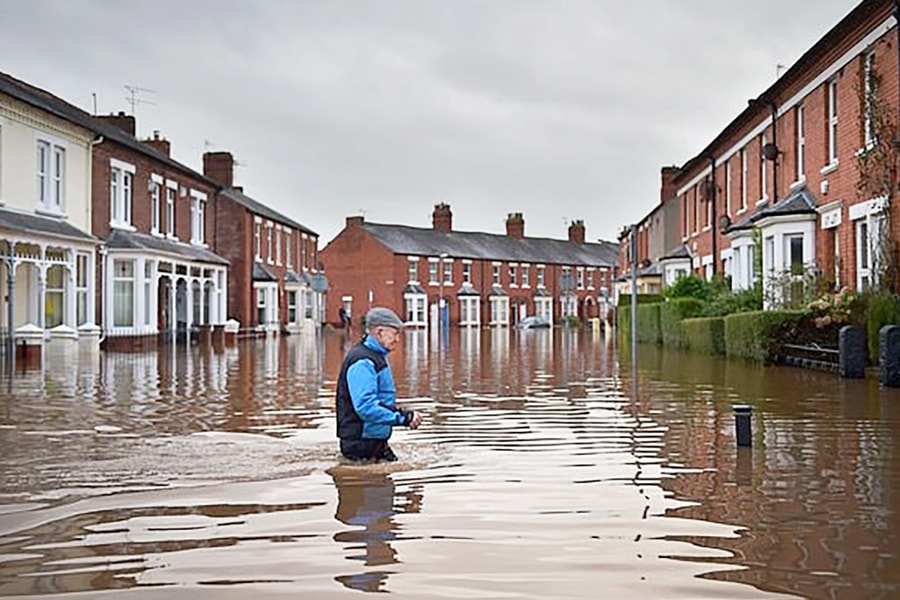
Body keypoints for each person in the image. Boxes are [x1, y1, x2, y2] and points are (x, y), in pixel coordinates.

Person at [335, 307, 423, 462]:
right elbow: (365, 406)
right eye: (395, 334)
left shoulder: (376, 356)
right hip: (361, 442)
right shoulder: (363, 361)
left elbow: (381, 400)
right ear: (379, 332)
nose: (397, 339)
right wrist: (403, 418)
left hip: (374, 439)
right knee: (373, 484)